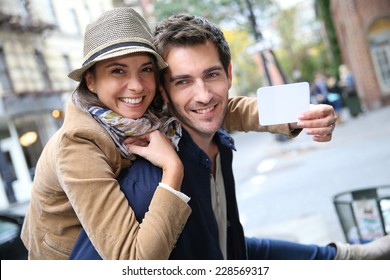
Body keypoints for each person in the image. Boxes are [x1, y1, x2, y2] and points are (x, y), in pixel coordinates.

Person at [69, 12, 389, 260]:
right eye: (182, 82)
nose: (204, 95)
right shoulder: (142, 171)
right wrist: (173, 171)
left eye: (212, 75)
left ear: (229, 75)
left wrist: (299, 112)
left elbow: (230, 251)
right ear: (164, 93)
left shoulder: (212, 143)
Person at [19, 7, 309, 260]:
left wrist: (299, 113)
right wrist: (173, 169)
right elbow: (133, 262)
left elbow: (218, 107)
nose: (136, 86)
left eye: (145, 69)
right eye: (118, 71)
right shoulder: (78, 143)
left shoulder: (142, 109)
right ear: (91, 80)